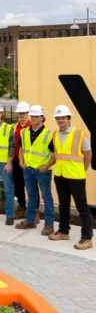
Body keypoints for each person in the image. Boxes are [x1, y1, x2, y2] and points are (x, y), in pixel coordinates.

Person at [48, 105, 93, 250]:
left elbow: (88, 156)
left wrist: (82, 171)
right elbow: (57, 155)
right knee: (63, 205)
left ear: (69, 119)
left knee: (82, 207)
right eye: (58, 118)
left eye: (63, 118)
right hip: (60, 175)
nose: (61, 120)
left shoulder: (80, 135)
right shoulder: (55, 135)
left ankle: (87, 238)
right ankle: (63, 231)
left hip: (76, 176)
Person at [15, 105, 55, 235]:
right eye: (32, 116)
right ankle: (30, 220)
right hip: (28, 170)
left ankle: (49, 225)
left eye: (37, 116)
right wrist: (21, 162)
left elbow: (56, 155)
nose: (34, 118)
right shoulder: (24, 132)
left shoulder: (49, 135)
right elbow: (21, 148)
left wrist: (46, 166)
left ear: (43, 117)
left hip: (42, 171)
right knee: (31, 196)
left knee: (47, 197)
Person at [12, 101, 36, 221]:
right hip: (16, 160)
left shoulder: (33, 126)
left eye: (24, 113)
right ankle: (22, 207)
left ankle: (35, 211)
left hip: (29, 162)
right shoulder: (14, 127)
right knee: (18, 185)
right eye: (20, 113)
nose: (22, 115)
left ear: (28, 114)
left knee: (32, 187)